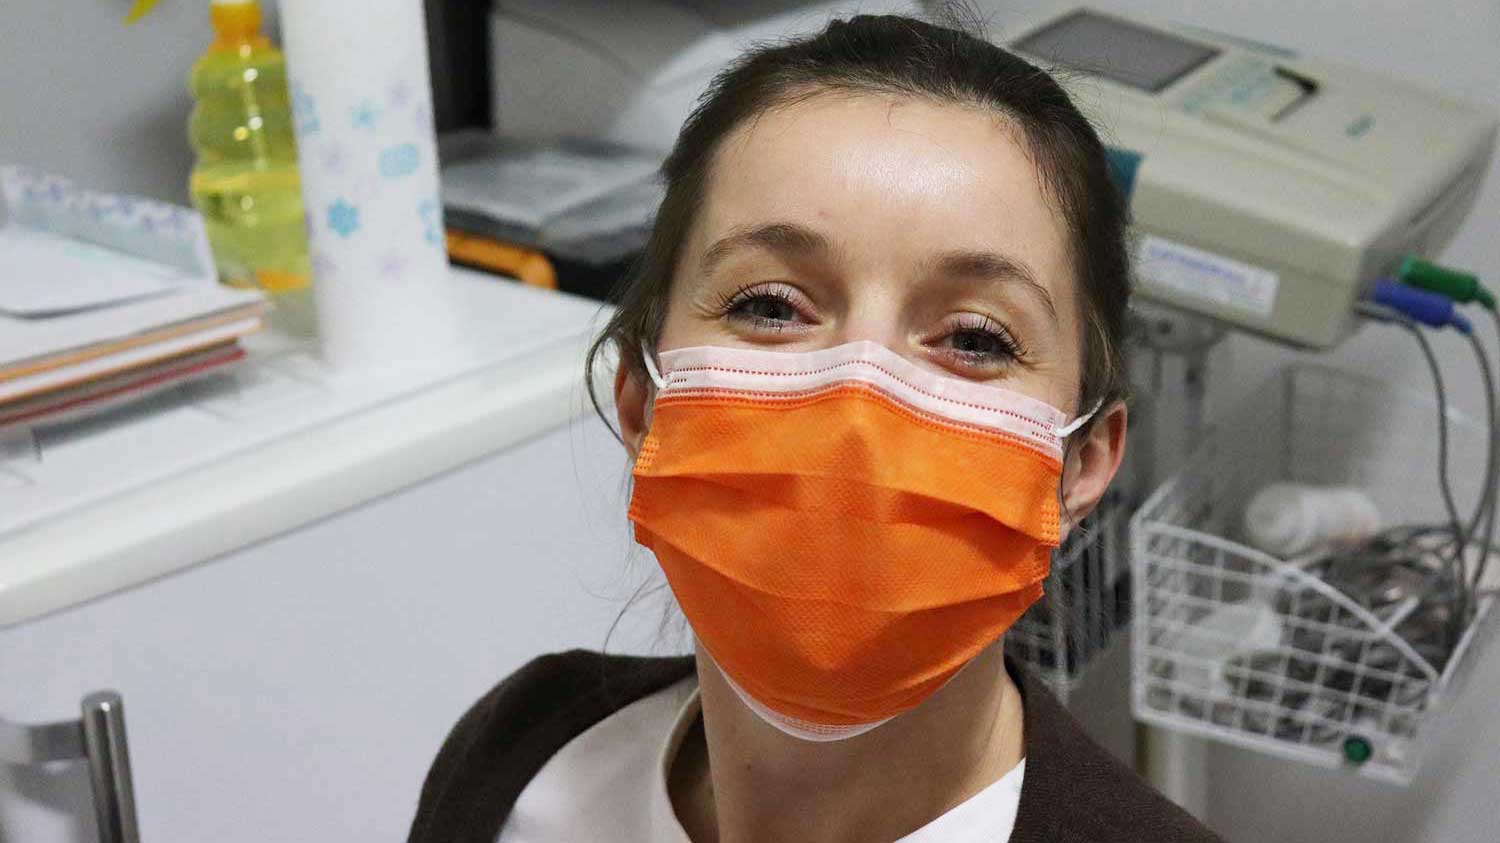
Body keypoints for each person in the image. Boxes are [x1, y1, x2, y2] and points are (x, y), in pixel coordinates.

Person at [409, 13, 1221, 843]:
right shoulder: (520, 757)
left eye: (976, 338)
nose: (857, 407)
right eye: (768, 305)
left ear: (1082, 462)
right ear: (640, 399)